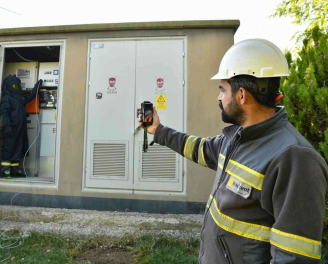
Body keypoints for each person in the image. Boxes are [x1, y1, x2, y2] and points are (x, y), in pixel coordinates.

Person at [139, 39, 328, 263]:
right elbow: (199, 148)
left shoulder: (295, 158)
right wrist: (157, 130)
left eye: (222, 90)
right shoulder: (238, 137)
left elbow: (295, 257)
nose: (219, 97)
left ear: (241, 95)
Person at [0, 75, 43, 179]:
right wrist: (7, 126)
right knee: (8, 148)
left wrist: (37, 87)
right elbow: (4, 113)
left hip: (20, 128)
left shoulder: (19, 98)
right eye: (14, 85)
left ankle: (15, 170)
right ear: (9, 86)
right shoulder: (7, 98)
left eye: (18, 85)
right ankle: (6, 171)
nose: (17, 87)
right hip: (11, 128)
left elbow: (30, 97)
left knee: (19, 148)